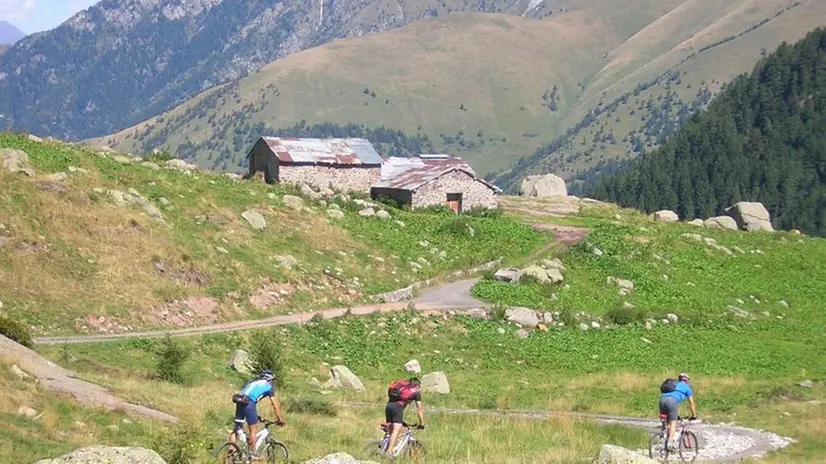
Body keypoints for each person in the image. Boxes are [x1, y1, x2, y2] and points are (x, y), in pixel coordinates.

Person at [230, 369, 286, 460]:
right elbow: (275, 406)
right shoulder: (268, 387)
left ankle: (231, 451)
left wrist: (257, 416)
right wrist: (281, 419)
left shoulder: (253, 383)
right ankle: (253, 453)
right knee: (253, 429)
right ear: (270, 380)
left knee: (236, 428)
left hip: (239, 401)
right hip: (249, 403)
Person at [384, 377, 425, 457]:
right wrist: (422, 423)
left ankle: (386, 448)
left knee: (392, 431)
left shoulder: (402, 387)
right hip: (397, 408)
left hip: (388, 406)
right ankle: (389, 452)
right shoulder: (416, 393)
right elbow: (419, 409)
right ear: (418, 386)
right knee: (397, 429)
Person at [659, 372, 697, 449]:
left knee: (666, 422)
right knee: (673, 423)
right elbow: (691, 403)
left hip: (662, 400)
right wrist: (694, 415)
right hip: (672, 401)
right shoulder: (687, 388)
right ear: (687, 380)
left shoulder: (674, 384)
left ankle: (662, 439)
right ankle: (670, 444)